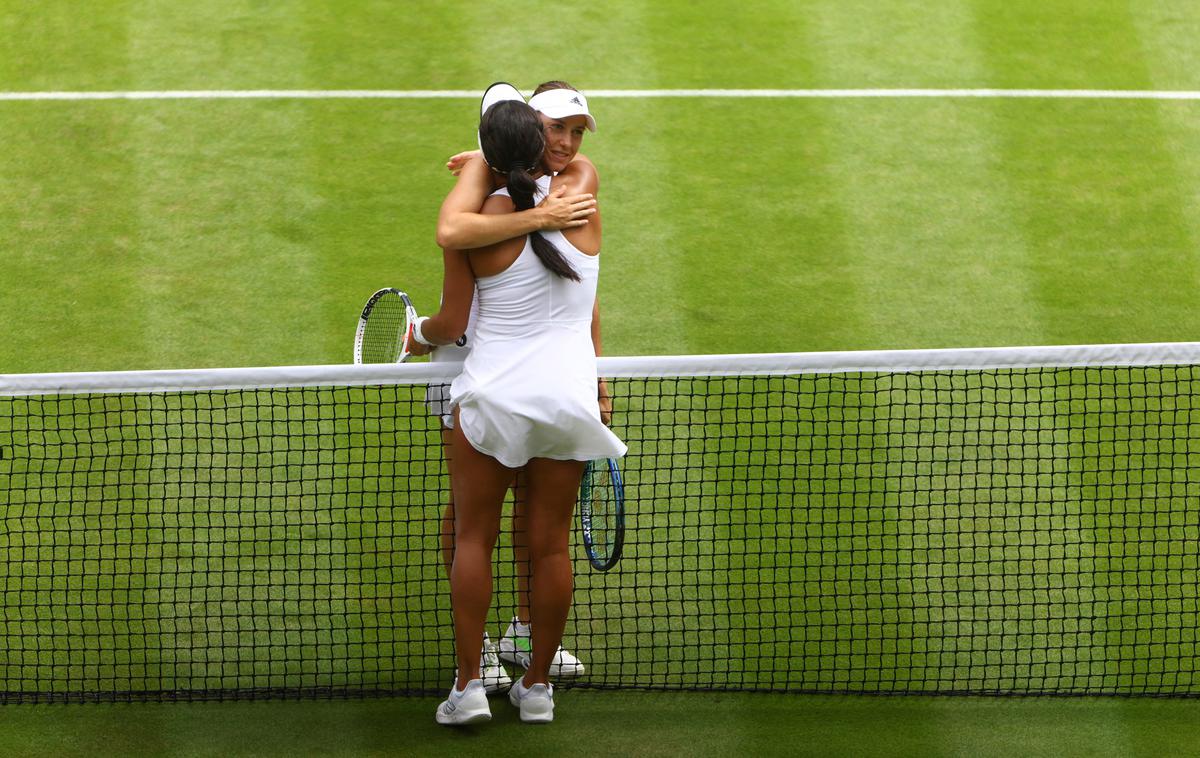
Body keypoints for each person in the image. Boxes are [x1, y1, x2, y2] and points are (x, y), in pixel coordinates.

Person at [411, 94, 625, 725]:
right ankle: (535, 690)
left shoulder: (476, 227)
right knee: (550, 546)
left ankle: (469, 687)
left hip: (494, 402)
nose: (569, 143)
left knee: (475, 536)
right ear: (538, 144)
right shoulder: (582, 206)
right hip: (567, 399)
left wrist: (417, 335)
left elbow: (451, 322)